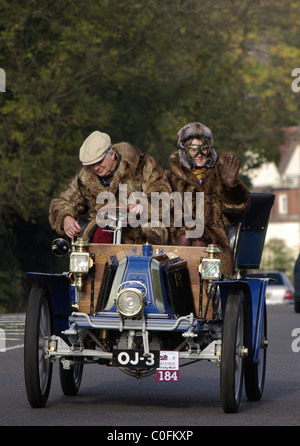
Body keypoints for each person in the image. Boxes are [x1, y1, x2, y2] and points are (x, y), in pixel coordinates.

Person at [49, 130, 171, 244]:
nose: (95, 168)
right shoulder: (84, 178)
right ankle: (99, 266)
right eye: (91, 164)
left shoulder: (143, 165)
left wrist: (142, 206)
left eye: (99, 162)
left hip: (139, 234)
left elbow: (163, 194)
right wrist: (66, 217)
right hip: (102, 236)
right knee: (99, 233)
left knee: (151, 230)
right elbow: (62, 201)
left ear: (112, 155)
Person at [167, 122, 250, 274]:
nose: (200, 154)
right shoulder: (171, 176)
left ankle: (204, 291)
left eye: (204, 149)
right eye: (193, 149)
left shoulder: (221, 171)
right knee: (188, 235)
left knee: (198, 239)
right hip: (178, 237)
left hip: (214, 238)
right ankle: (179, 283)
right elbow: (159, 204)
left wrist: (230, 186)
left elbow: (238, 207)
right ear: (184, 151)